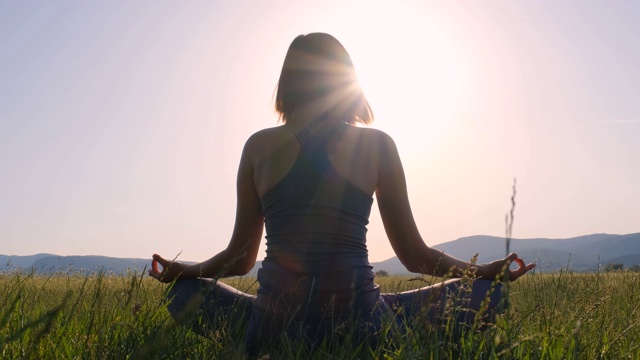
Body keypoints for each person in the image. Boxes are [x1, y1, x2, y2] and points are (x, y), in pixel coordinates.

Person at [148, 32, 535, 355]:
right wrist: (482, 272)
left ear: (288, 83)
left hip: (273, 332)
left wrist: (186, 271)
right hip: (365, 328)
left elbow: (239, 259)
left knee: (181, 295)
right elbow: (415, 256)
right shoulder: (377, 145)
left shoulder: (258, 147)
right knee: (491, 295)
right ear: (347, 80)